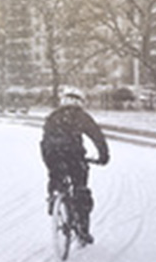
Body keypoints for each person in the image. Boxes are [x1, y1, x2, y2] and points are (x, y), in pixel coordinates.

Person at [40, 87, 109, 244]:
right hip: (73, 154)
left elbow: (45, 137)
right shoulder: (81, 117)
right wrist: (103, 156)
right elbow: (97, 136)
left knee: (55, 173)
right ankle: (83, 230)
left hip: (51, 154)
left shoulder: (53, 116)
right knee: (80, 188)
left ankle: (54, 195)